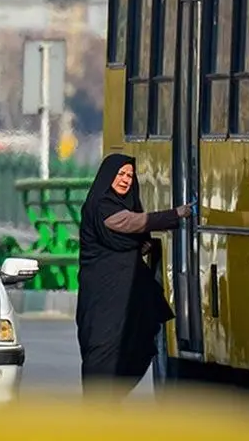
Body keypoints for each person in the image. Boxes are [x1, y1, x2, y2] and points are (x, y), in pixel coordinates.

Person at [75, 154, 191, 399]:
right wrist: (176, 214)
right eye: (121, 175)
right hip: (103, 300)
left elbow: (138, 236)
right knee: (102, 350)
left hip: (126, 299)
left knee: (131, 345)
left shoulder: (126, 203)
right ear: (108, 176)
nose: (126, 180)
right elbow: (129, 223)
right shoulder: (101, 204)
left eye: (130, 176)